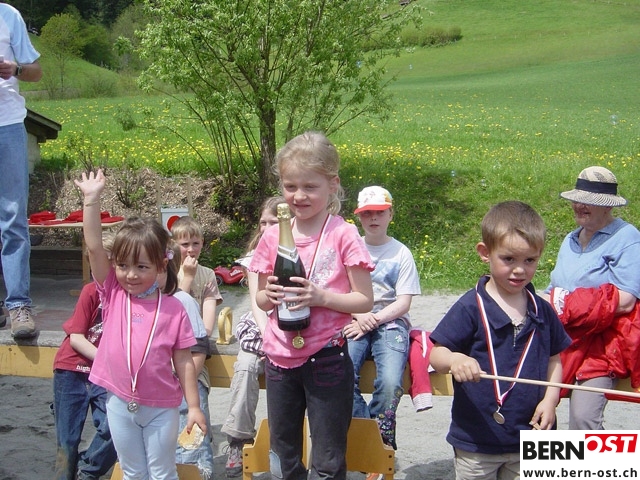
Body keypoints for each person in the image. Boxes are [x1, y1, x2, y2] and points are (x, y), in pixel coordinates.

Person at [251, 131, 374, 480]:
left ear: (332, 184)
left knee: (329, 458)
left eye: (310, 187)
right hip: (279, 359)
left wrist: (321, 297)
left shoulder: (343, 234)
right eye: (290, 186)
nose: (299, 196)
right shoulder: (273, 235)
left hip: (327, 358)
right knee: (283, 455)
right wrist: (269, 295)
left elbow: (364, 300)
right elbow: (260, 299)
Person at [74, 169, 207, 480]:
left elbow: (184, 361)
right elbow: (94, 248)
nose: (130, 275)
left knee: (162, 472)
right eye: (122, 265)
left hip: (161, 407)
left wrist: (194, 406)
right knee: (132, 472)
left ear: (161, 264)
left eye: (142, 267)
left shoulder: (174, 308)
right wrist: (91, 200)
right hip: (120, 402)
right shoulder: (113, 292)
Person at [429, 201, 571, 480]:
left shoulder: (542, 310)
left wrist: (551, 400)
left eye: (529, 260)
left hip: (532, 437)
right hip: (477, 441)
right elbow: (436, 354)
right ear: (485, 252)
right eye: (509, 259)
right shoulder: (470, 306)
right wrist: (456, 359)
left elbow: (555, 359)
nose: (520, 270)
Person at [544, 166, 640, 430]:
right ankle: (545, 458)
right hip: (565, 341)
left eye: (588, 201)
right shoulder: (570, 239)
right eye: (577, 200)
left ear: (608, 206)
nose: (579, 205)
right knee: (535, 402)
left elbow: (626, 299)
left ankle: (595, 460)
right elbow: (553, 289)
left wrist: (567, 304)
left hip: (603, 345)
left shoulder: (627, 237)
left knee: (583, 417)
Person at [344, 186, 420, 457]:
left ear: (390, 215)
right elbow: (339, 290)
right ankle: (368, 437)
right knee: (341, 375)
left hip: (390, 321)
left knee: (390, 382)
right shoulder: (349, 249)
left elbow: (403, 302)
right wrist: (358, 314)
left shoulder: (401, 253)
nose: (373, 218)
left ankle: (380, 438)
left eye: (379, 212)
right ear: (358, 217)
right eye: (367, 213)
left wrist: (372, 319)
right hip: (355, 318)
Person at [221, 195, 283, 477]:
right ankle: (238, 438)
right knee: (245, 366)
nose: (266, 227)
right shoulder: (255, 256)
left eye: (273, 222)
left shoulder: (299, 249)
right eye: (262, 222)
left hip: (293, 326)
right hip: (262, 325)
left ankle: (290, 442)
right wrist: (267, 334)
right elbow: (258, 303)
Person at [52, 232, 118, 480]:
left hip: (103, 375)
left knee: (114, 427)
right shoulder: (91, 292)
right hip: (72, 369)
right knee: (67, 440)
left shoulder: (126, 296)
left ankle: (87, 471)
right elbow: (76, 338)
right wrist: (106, 359)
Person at [0, 3, 43, 338]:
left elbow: (36, 72)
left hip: (8, 125)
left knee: (13, 218)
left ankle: (18, 305)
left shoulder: (9, 16)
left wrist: (13, 69)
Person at [163, 240, 214, 480]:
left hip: (185, 379)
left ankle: (198, 469)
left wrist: (182, 384)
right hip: (152, 389)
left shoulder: (184, 301)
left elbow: (197, 350)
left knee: (190, 449)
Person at [170, 216, 223, 337]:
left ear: (202, 242)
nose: (191, 249)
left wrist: (205, 335)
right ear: (174, 244)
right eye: (185, 244)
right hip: (174, 333)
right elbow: (176, 305)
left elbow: (209, 307)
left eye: (195, 243)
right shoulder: (168, 271)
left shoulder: (208, 274)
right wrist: (188, 277)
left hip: (197, 334)